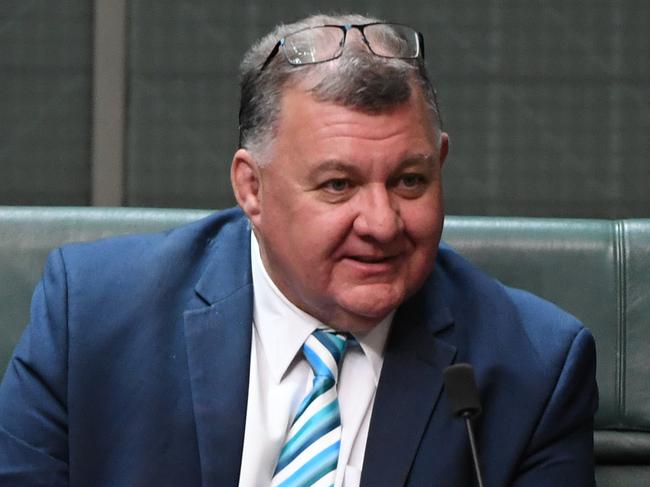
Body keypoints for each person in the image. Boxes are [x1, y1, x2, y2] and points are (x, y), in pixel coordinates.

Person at [0, 13, 597, 487]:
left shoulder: (534, 368)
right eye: (338, 185)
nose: (383, 223)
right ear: (251, 189)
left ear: (440, 164)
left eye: (409, 181)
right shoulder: (93, 315)